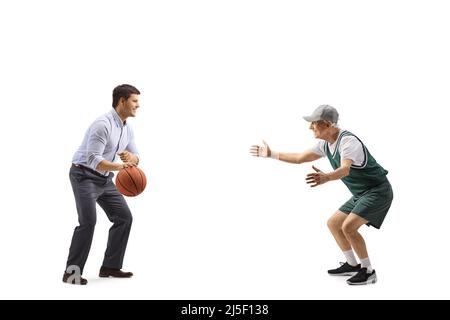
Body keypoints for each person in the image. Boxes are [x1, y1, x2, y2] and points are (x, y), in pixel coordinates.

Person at [250, 105, 393, 285]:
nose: (310, 127)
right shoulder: (325, 144)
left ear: (326, 124)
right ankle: (352, 265)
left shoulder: (348, 142)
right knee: (333, 223)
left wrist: (327, 177)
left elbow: (344, 170)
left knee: (348, 227)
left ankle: (369, 271)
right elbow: (300, 158)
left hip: (377, 191)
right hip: (361, 193)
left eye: (314, 124)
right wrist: (271, 154)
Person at [63, 84, 141, 285]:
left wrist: (133, 158)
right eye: (134, 101)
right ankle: (71, 273)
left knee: (124, 218)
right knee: (88, 222)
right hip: (84, 175)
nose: (138, 105)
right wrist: (121, 167)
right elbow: (92, 159)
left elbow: (136, 156)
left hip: (105, 179)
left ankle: (110, 267)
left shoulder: (126, 128)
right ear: (121, 101)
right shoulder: (102, 124)